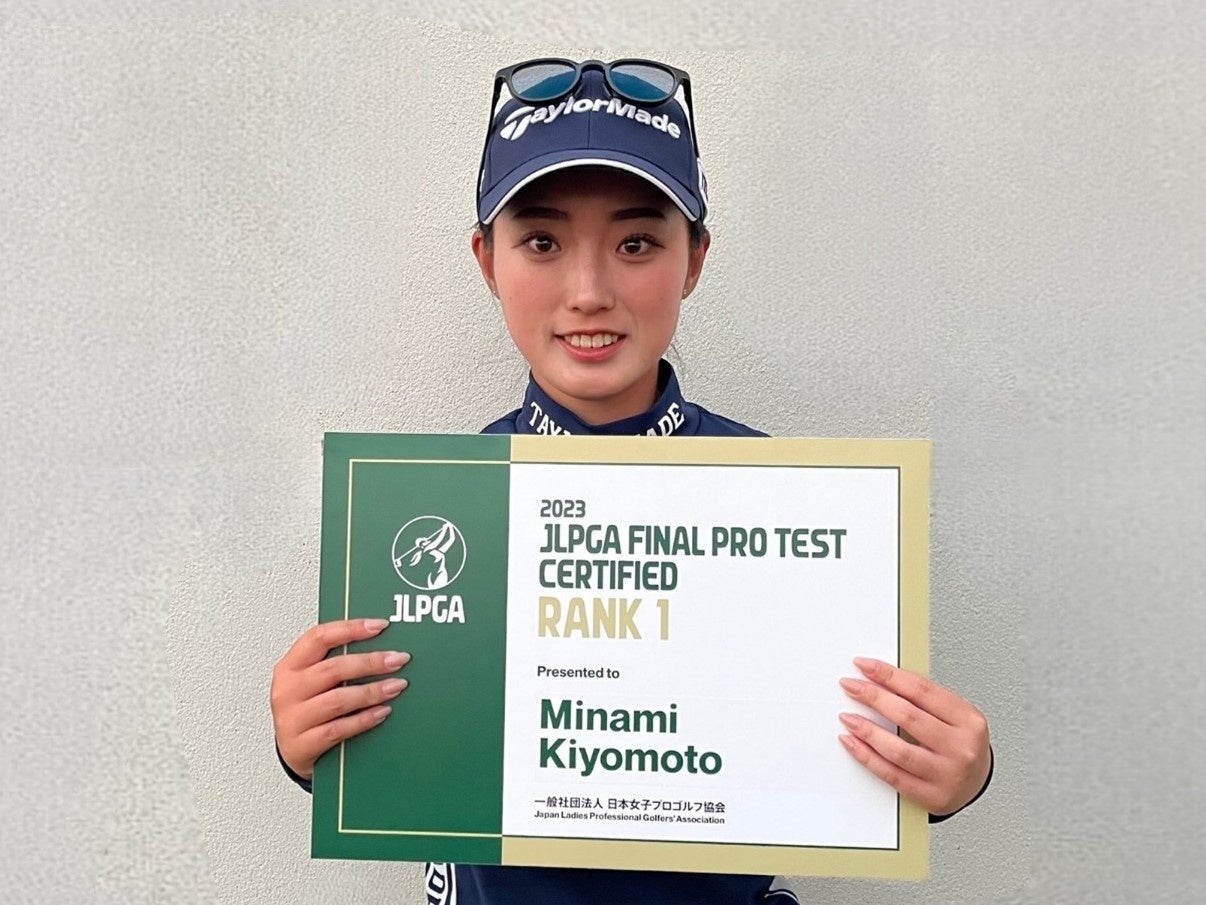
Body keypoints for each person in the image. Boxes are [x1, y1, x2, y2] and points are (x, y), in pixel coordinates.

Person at [270, 57, 993, 905]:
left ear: (694, 259)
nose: (588, 292)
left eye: (637, 243)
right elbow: (405, 757)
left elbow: (844, 740)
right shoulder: (434, 505)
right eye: (542, 242)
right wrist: (314, 744)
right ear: (487, 261)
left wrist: (955, 773)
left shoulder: (792, 503)